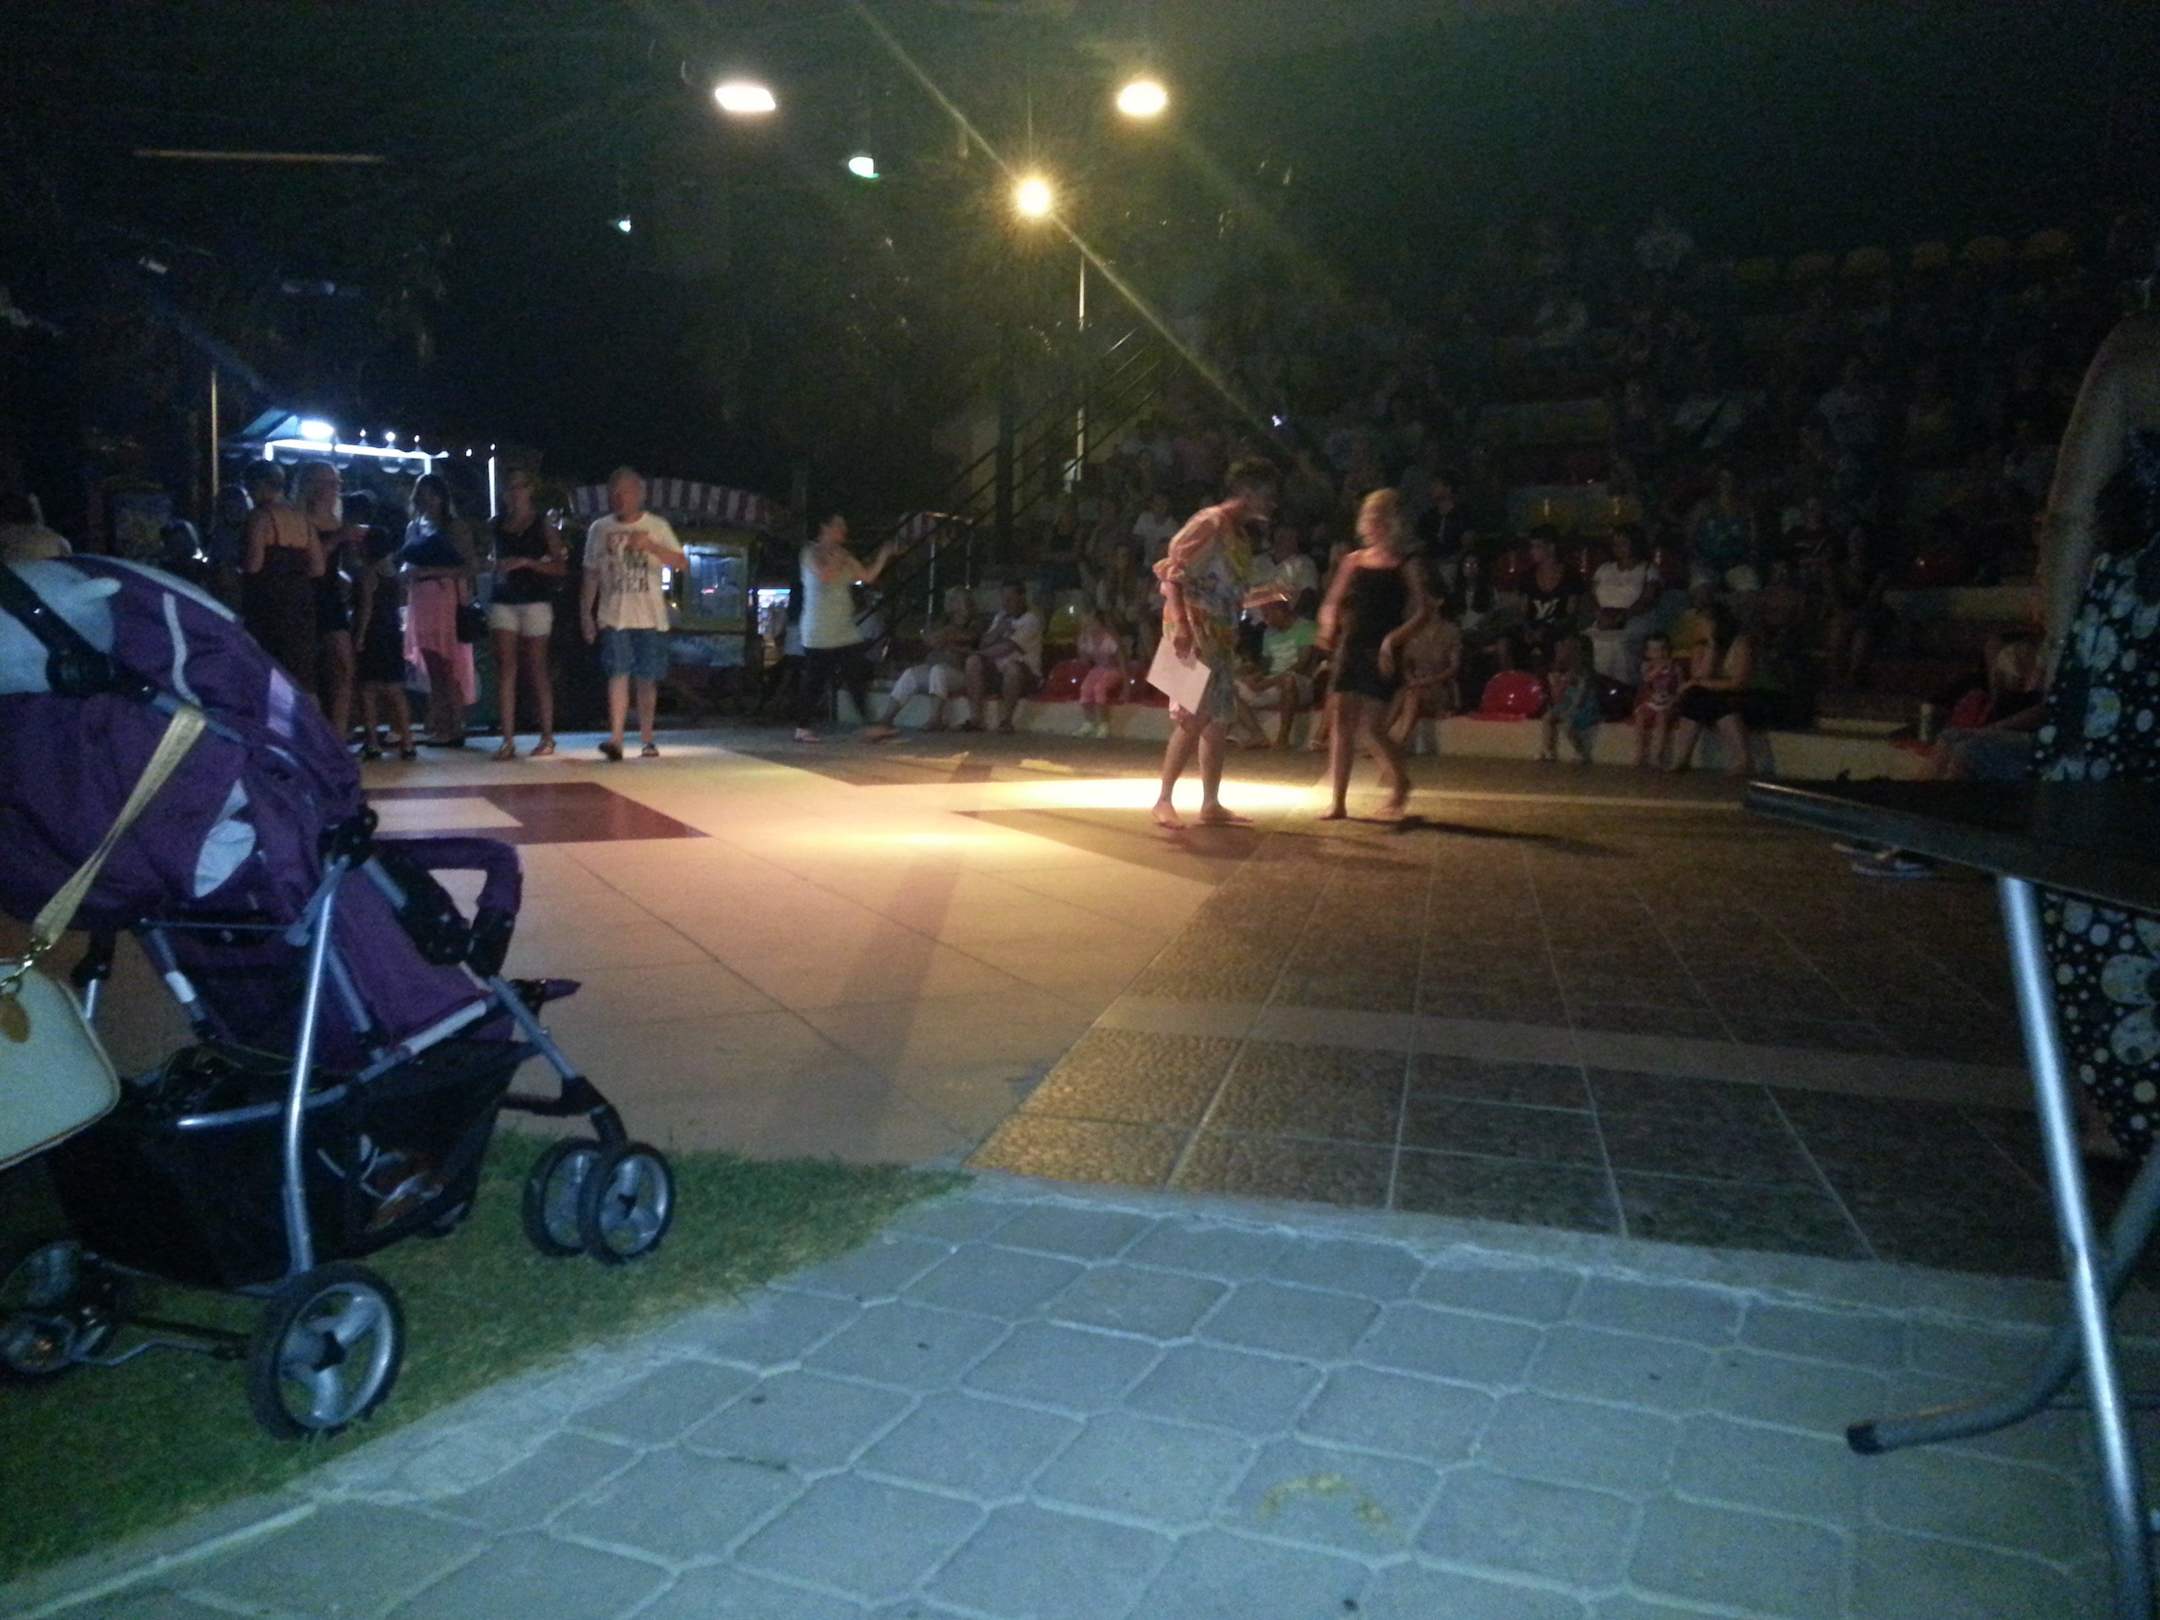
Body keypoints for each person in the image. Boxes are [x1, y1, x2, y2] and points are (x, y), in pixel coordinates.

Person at [2029, 307, 2160, 1160]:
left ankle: (2117, 1109)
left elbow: (2074, 508)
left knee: (2098, 867)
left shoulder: (2138, 345)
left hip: (2137, 635)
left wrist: (2059, 644)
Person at [1150, 457, 1284, 829]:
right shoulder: (1209, 522)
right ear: (1248, 491)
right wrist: (1180, 624)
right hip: (1193, 626)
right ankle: (1163, 799)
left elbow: (1229, 595)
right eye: (1268, 494)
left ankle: (1210, 802)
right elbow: (1172, 573)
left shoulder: (1239, 536)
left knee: (1217, 720)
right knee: (1193, 716)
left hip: (1220, 633)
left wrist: (1267, 595)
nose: (1273, 503)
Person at [1315, 488, 1431, 821]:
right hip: (1351, 645)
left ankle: (1400, 783)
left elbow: (1423, 611)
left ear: (1393, 521)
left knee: (1372, 727)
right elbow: (1331, 602)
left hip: (1383, 649)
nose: (1371, 522)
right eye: (1369, 515)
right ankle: (1338, 801)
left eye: (1379, 516)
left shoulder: (1405, 564)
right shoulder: (1353, 561)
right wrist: (1327, 626)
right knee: (1341, 721)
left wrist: (1393, 641)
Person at [580, 466, 687, 760]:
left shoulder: (657, 526)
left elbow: (681, 562)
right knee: (617, 673)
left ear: (640, 494)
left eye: (625, 492)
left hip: (650, 615)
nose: (619, 498)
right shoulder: (599, 529)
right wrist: (586, 613)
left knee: (646, 678)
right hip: (613, 614)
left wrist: (650, 546)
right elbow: (591, 574)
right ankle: (616, 738)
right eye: (614, 492)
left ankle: (647, 737)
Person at [794, 513, 898, 744]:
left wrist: (883, 556)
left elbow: (867, 576)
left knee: (855, 674)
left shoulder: (844, 555)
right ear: (824, 527)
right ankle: (802, 727)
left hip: (843, 628)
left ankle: (869, 725)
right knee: (816, 679)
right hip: (819, 629)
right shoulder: (810, 553)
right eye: (838, 526)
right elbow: (825, 575)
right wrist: (837, 558)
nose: (843, 531)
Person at [488, 470, 567, 759]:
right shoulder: (496, 524)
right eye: (509, 488)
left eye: (518, 487)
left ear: (529, 490)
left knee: (537, 667)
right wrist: (497, 565)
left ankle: (547, 736)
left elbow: (560, 567)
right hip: (504, 598)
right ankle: (507, 739)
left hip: (535, 599)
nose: (513, 493)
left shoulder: (543, 525)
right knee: (506, 669)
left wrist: (527, 563)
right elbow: (488, 559)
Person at [400, 472, 477, 747]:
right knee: (433, 664)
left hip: (445, 596)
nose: (428, 500)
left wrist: (429, 570)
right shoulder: (414, 527)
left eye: (433, 495)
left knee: (448, 663)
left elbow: (468, 566)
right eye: (423, 495)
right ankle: (444, 723)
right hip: (421, 597)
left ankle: (454, 725)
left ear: (442, 497)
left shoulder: (454, 527)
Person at [241, 460, 325, 700]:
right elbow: (318, 568)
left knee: (268, 671)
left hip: (269, 603)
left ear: (259, 485)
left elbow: (253, 564)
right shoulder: (302, 519)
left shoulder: (260, 517)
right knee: (303, 675)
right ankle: (310, 723)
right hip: (300, 603)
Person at [1667, 603, 1778, 775]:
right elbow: (1700, 675)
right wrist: (1711, 646)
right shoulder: (1701, 646)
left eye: (1704, 622)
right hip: (1715, 694)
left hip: (1751, 695)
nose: (1699, 626)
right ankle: (1682, 757)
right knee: (1695, 697)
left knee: (1717, 700)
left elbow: (1738, 683)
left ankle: (1744, 760)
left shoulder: (1741, 643)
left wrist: (1700, 684)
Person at [296, 462, 357, 745]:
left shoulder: (336, 519)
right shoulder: (300, 519)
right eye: (330, 483)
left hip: (331, 594)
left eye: (337, 483)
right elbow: (310, 562)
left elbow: (337, 564)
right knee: (308, 667)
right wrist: (338, 539)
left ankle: (338, 735)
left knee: (343, 664)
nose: (335, 489)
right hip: (306, 594)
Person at [350, 505, 416, 762]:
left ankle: (372, 742)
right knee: (395, 689)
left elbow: (366, 606)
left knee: (368, 689)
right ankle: (407, 741)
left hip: (374, 632)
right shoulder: (392, 573)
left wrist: (360, 636)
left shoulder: (369, 572)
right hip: (392, 630)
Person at [881, 587, 976, 732]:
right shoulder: (944, 621)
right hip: (937, 666)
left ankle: (935, 719)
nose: (948, 603)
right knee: (911, 674)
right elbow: (931, 640)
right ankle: (887, 718)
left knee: (938, 671)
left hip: (961, 672)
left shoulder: (974, 622)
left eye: (953, 599)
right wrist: (943, 637)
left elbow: (971, 638)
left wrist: (947, 637)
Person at [1233, 597, 1322, 749]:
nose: (1265, 620)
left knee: (1288, 680)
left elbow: (1302, 664)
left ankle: (1283, 738)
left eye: (1267, 615)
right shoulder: (1269, 633)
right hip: (1272, 683)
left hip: (1300, 683)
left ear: (1280, 611)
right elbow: (1266, 666)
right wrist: (1255, 677)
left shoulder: (1306, 627)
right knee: (1230, 687)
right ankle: (1257, 734)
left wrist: (1267, 682)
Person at [1387, 589, 1463, 753]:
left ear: (1439, 601)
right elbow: (1406, 663)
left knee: (1411, 693)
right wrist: (1411, 678)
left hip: (1439, 687)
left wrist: (1427, 681)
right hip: (1415, 684)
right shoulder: (1414, 630)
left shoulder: (1450, 631)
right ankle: (1382, 736)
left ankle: (1398, 742)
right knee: (1407, 693)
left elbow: (1453, 667)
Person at [963, 582, 1044, 734]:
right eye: (1004, 599)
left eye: (1010, 599)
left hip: (1026, 676)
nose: (1005, 604)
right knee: (972, 662)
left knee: (1012, 668)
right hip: (999, 673)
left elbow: (1006, 648)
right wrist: (999, 629)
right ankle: (975, 719)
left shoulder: (1031, 620)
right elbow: (984, 642)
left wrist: (979, 653)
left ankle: (1006, 721)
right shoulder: (1001, 617)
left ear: (1022, 598)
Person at [1588, 523, 1660, 681]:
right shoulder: (1604, 569)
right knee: (1594, 642)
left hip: (1634, 619)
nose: (1619, 548)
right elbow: (1591, 596)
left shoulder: (1648, 569)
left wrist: (1622, 617)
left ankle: (1625, 684)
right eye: (1615, 544)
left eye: (1624, 543)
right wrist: (1600, 615)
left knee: (1620, 643)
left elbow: (1647, 600)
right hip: (1604, 619)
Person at [1516, 529, 1579, 671]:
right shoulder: (1527, 576)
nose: (1532, 551)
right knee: (1505, 642)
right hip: (1531, 628)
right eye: (1531, 547)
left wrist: (1547, 629)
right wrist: (1528, 630)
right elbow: (1522, 612)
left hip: (1557, 628)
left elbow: (1571, 614)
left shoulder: (1570, 575)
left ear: (1551, 547)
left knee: (1563, 643)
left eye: (1537, 547)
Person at [1539, 634, 1601, 765]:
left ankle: (1581, 752)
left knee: (1568, 723)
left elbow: (1584, 695)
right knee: (1548, 717)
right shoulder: (1561, 672)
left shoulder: (1584, 673)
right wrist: (1557, 684)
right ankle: (1548, 750)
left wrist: (1573, 708)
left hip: (1583, 706)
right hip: (1566, 705)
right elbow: (1557, 698)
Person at [1073, 605, 1130, 739]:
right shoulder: (1087, 638)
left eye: (1092, 622)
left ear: (1100, 623)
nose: (1088, 625)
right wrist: (1080, 646)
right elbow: (1085, 662)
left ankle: (1104, 724)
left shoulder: (1109, 639)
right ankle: (1089, 723)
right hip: (1098, 669)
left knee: (1099, 688)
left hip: (1114, 670)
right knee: (1085, 689)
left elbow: (1122, 662)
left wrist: (1126, 688)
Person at [1632, 631, 1683, 769]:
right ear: (1647, 653)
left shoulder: (1676, 668)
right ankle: (1640, 753)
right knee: (1640, 716)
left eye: (1663, 649)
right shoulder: (1646, 665)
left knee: (1662, 717)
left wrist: (1674, 698)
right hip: (1650, 701)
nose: (1660, 653)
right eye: (1655, 650)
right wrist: (1658, 668)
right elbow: (1646, 679)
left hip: (1668, 702)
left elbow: (1680, 688)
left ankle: (1656, 756)